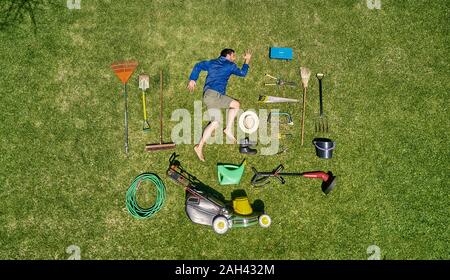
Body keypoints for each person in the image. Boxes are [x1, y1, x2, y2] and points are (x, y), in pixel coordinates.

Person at [188, 48, 252, 161]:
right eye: (233, 56)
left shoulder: (212, 63)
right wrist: (247, 60)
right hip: (215, 96)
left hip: (208, 96)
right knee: (236, 104)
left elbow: (198, 65)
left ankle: (199, 147)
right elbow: (243, 73)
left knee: (215, 123)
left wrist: (193, 79)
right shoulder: (230, 65)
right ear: (229, 55)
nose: (234, 58)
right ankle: (227, 129)